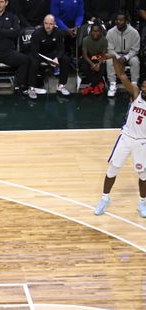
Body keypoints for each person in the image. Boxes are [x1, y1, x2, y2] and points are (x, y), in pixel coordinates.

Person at [93, 57, 146, 218]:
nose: (144, 89)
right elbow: (122, 75)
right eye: (143, 86)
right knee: (112, 169)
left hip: (142, 142)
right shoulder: (136, 94)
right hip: (126, 137)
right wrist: (115, 58)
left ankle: (142, 202)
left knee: (143, 174)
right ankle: (104, 199)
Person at [27, 14, 71, 99]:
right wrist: (49, 61)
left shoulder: (59, 32)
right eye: (46, 23)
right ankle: (31, 88)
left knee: (66, 59)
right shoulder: (37, 33)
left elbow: (61, 49)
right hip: (39, 54)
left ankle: (61, 85)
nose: (48, 26)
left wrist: (56, 58)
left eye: (50, 24)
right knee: (33, 62)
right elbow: (34, 51)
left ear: (54, 23)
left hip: (52, 54)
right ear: (43, 23)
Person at [105, 13, 139, 98]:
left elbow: (135, 49)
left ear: (126, 21)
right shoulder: (110, 32)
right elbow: (110, 49)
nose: (118, 22)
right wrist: (118, 57)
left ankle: (134, 84)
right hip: (116, 55)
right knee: (109, 60)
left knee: (135, 61)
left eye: (121, 20)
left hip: (129, 55)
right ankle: (113, 84)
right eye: (117, 20)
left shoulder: (134, 32)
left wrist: (126, 57)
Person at [79, 22, 106, 96]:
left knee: (104, 65)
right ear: (90, 32)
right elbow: (84, 55)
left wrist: (98, 64)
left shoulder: (104, 40)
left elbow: (104, 55)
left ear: (100, 32)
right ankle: (98, 84)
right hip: (88, 59)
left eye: (97, 31)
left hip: (100, 59)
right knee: (83, 65)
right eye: (93, 31)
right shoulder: (86, 40)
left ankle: (91, 86)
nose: (95, 33)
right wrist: (92, 64)